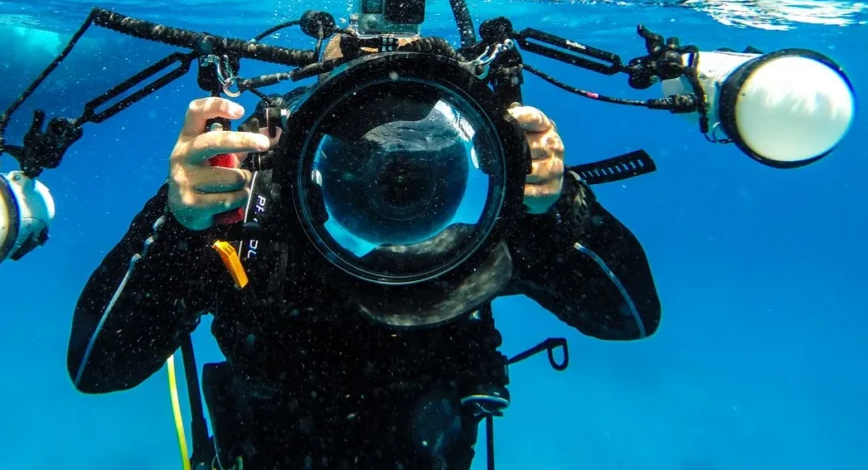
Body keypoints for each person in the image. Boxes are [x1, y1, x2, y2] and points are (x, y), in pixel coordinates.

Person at [66, 29, 662, 469]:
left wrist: (552, 202)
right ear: (305, 124)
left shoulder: (488, 224)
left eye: (422, 158)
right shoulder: (250, 211)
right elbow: (101, 367)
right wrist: (180, 222)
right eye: (360, 143)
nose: (394, 170)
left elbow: (628, 317)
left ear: (469, 152)